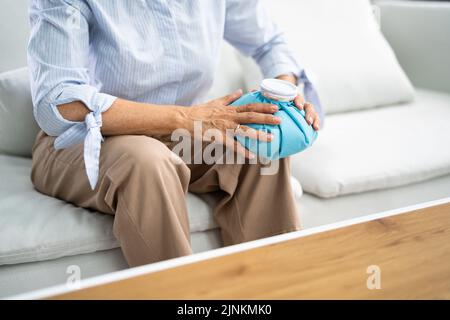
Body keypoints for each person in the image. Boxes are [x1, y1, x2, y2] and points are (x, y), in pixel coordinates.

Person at [28, 0, 321, 267]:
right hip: (87, 138)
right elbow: (59, 103)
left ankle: (271, 292)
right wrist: (187, 117)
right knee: (148, 162)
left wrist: (284, 95)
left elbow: (270, 43)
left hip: (186, 132)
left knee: (261, 140)